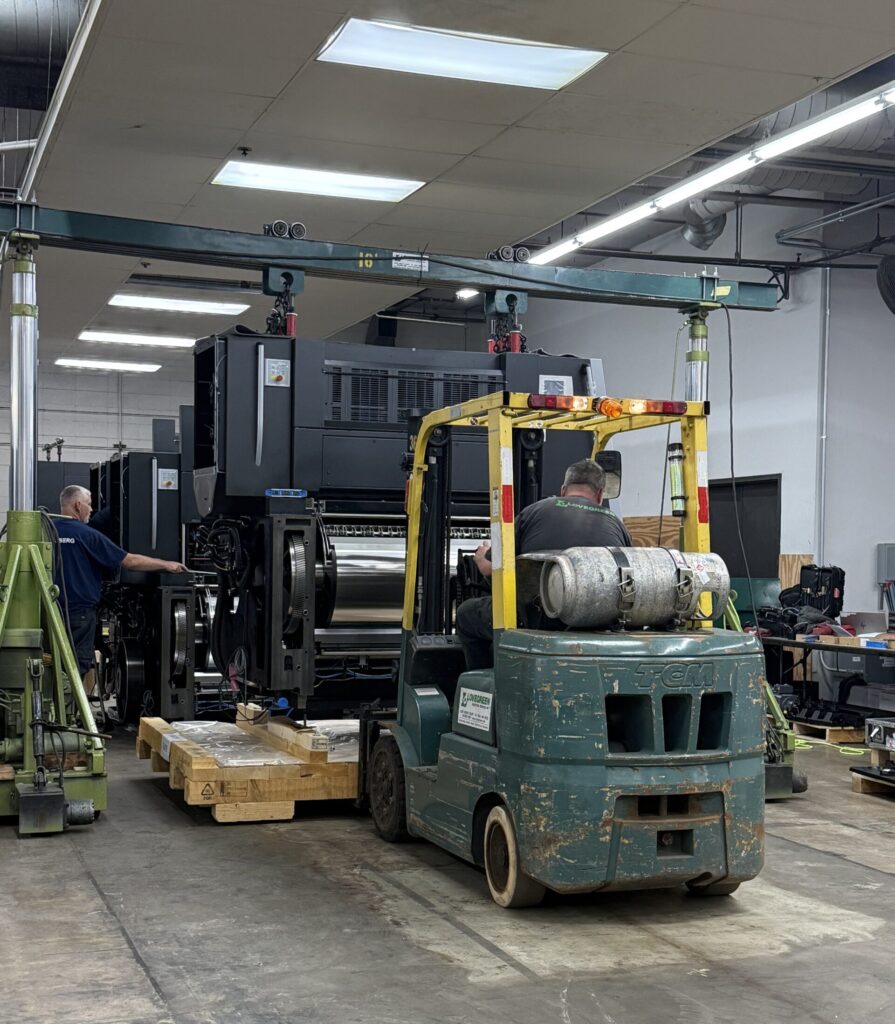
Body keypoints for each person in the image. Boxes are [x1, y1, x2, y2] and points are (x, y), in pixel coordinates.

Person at [456, 459, 632, 669]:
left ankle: (485, 689)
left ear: (563, 489)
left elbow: (490, 569)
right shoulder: (617, 525)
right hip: (597, 623)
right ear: (601, 495)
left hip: (536, 619)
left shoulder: (534, 511)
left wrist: (481, 556)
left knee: (467, 614)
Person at [54, 485, 187, 688]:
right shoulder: (87, 535)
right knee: (74, 668)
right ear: (78, 505)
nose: (91, 510)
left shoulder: (46, 532)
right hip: (79, 616)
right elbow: (129, 561)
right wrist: (166, 565)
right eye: (89, 505)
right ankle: (68, 716)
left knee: (49, 664)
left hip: (49, 613)